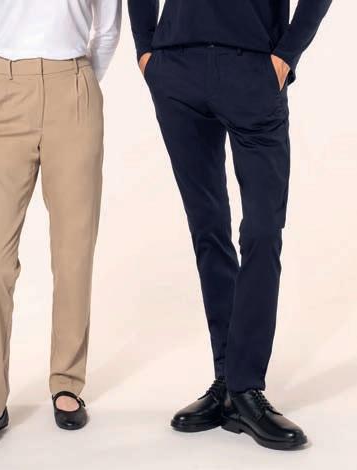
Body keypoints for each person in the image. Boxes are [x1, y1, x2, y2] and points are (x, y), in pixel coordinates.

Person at [128, 0, 332, 450]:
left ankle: (245, 386)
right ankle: (228, 380)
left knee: (262, 230)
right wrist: (146, 50)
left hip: (254, 67)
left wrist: (287, 55)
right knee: (208, 229)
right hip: (177, 66)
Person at [0, 0, 121, 453]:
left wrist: (76, 84)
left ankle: (67, 382)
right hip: (6, 92)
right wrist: (5, 78)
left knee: (74, 251)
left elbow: (106, 31)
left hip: (75, 92)